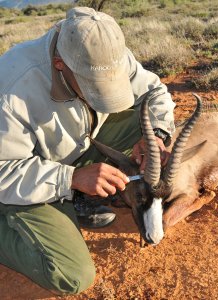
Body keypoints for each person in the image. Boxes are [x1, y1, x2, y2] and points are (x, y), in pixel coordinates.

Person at [0, 7, 175, 295]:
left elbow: (154, 92)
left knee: (145, 130)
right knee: (71, 274)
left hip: (77, 142)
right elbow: (4, 170)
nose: (103, 94)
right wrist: (69, 179)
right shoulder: (12, 89)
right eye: (94, 88)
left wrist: (154, 135)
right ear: (60, 64)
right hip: (18, 175)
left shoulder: (103, 52)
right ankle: (65, 200)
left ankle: (83, 196)